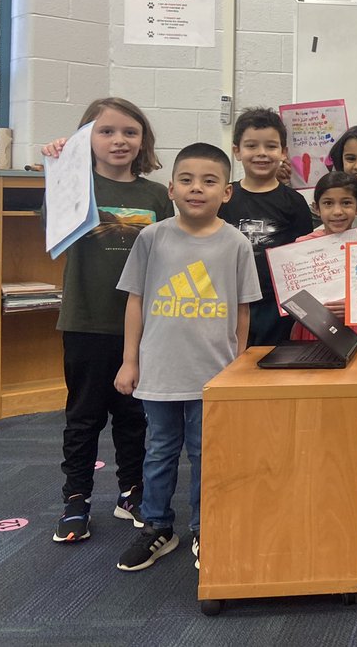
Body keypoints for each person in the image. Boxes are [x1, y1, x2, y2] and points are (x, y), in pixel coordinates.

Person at [114, 143, 261, 572]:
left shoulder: (235, 243)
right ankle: (158, 526)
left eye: (210, 181)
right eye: (187, 180)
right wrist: (130, 361)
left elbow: (243, 310)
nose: (197, 188)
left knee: (205, 452)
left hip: (212, 374)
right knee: (159, 450)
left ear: (226, 192)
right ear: (172, 189)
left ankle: (205, 526)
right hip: (160, 370)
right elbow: (136, 302)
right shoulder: (151, 238)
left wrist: (237, 365)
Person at [41, 98, 174, 544]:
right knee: (84, 417)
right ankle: (75, 498)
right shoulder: (75, 183)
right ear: (86, 139)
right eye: (106, 131)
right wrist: (63, 166)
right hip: (86, 322)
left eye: (130, 132)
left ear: (143, 141)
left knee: (135, 416)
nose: (119, 140)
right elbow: (50, 226)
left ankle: (130, 491)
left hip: (143, 326)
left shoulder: (156, 195)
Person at [219, 107, 313, 346]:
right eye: (251, 146)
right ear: (237, 151)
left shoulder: (294, 202)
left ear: (283, 152)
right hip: (229, 301)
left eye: (270, 146)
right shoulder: (223, 196)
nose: (261, 153)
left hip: (276, 306)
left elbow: (302, 256)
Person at [284, 170, 357, 344]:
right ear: (316, 208)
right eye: (328, 203)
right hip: (312, 327)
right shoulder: (302, 247)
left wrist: (354, 307)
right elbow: (292, 300)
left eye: (346, 203)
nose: (337, 211)